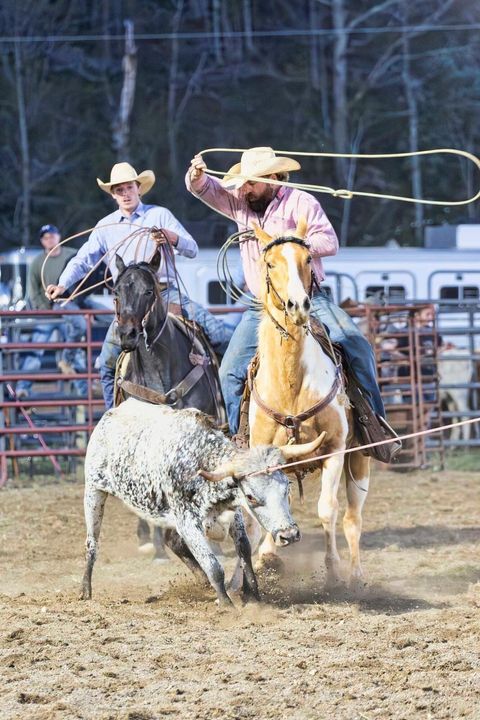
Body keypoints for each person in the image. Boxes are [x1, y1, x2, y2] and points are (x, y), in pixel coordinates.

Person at [186, 146, 400, 459]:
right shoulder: (241, 204)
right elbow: (207, 190)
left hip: (310, 297)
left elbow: (330, 242)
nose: (244, 189)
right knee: (230, 369)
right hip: (264, 305)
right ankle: (239, 441)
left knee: (356, 345)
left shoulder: (302, 202)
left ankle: (376, 426)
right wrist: (196, 177)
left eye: (250, 182)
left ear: (272, 178)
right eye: (241, 184)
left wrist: (287, 243)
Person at [46, 162, 231, 409]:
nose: (125, 193)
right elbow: (83, 259)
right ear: (113, 195)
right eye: (119, 190)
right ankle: (114, 419)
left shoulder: (160, 216)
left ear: (138, 189)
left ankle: (225, 406)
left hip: (164, 294)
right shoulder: (105, 226)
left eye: (129, 187)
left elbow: (192, 248)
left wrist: (171, 237)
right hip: (128, 303)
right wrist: (62, 285)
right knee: (106, 362)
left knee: (219, 335)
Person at [16, 224, 87, 399]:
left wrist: (78, 303)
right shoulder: (37, 262)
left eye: (52, 236)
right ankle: (22, 387)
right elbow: (33, 290)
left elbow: (84, 279)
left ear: (59, 237)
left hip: (67, 308)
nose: (50, 240)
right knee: (37, 349)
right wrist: (44, 309)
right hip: (48, 314)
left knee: (75, 348)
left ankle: (83, 391)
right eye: (46, 237)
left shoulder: (72, 255)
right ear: (42, 241)